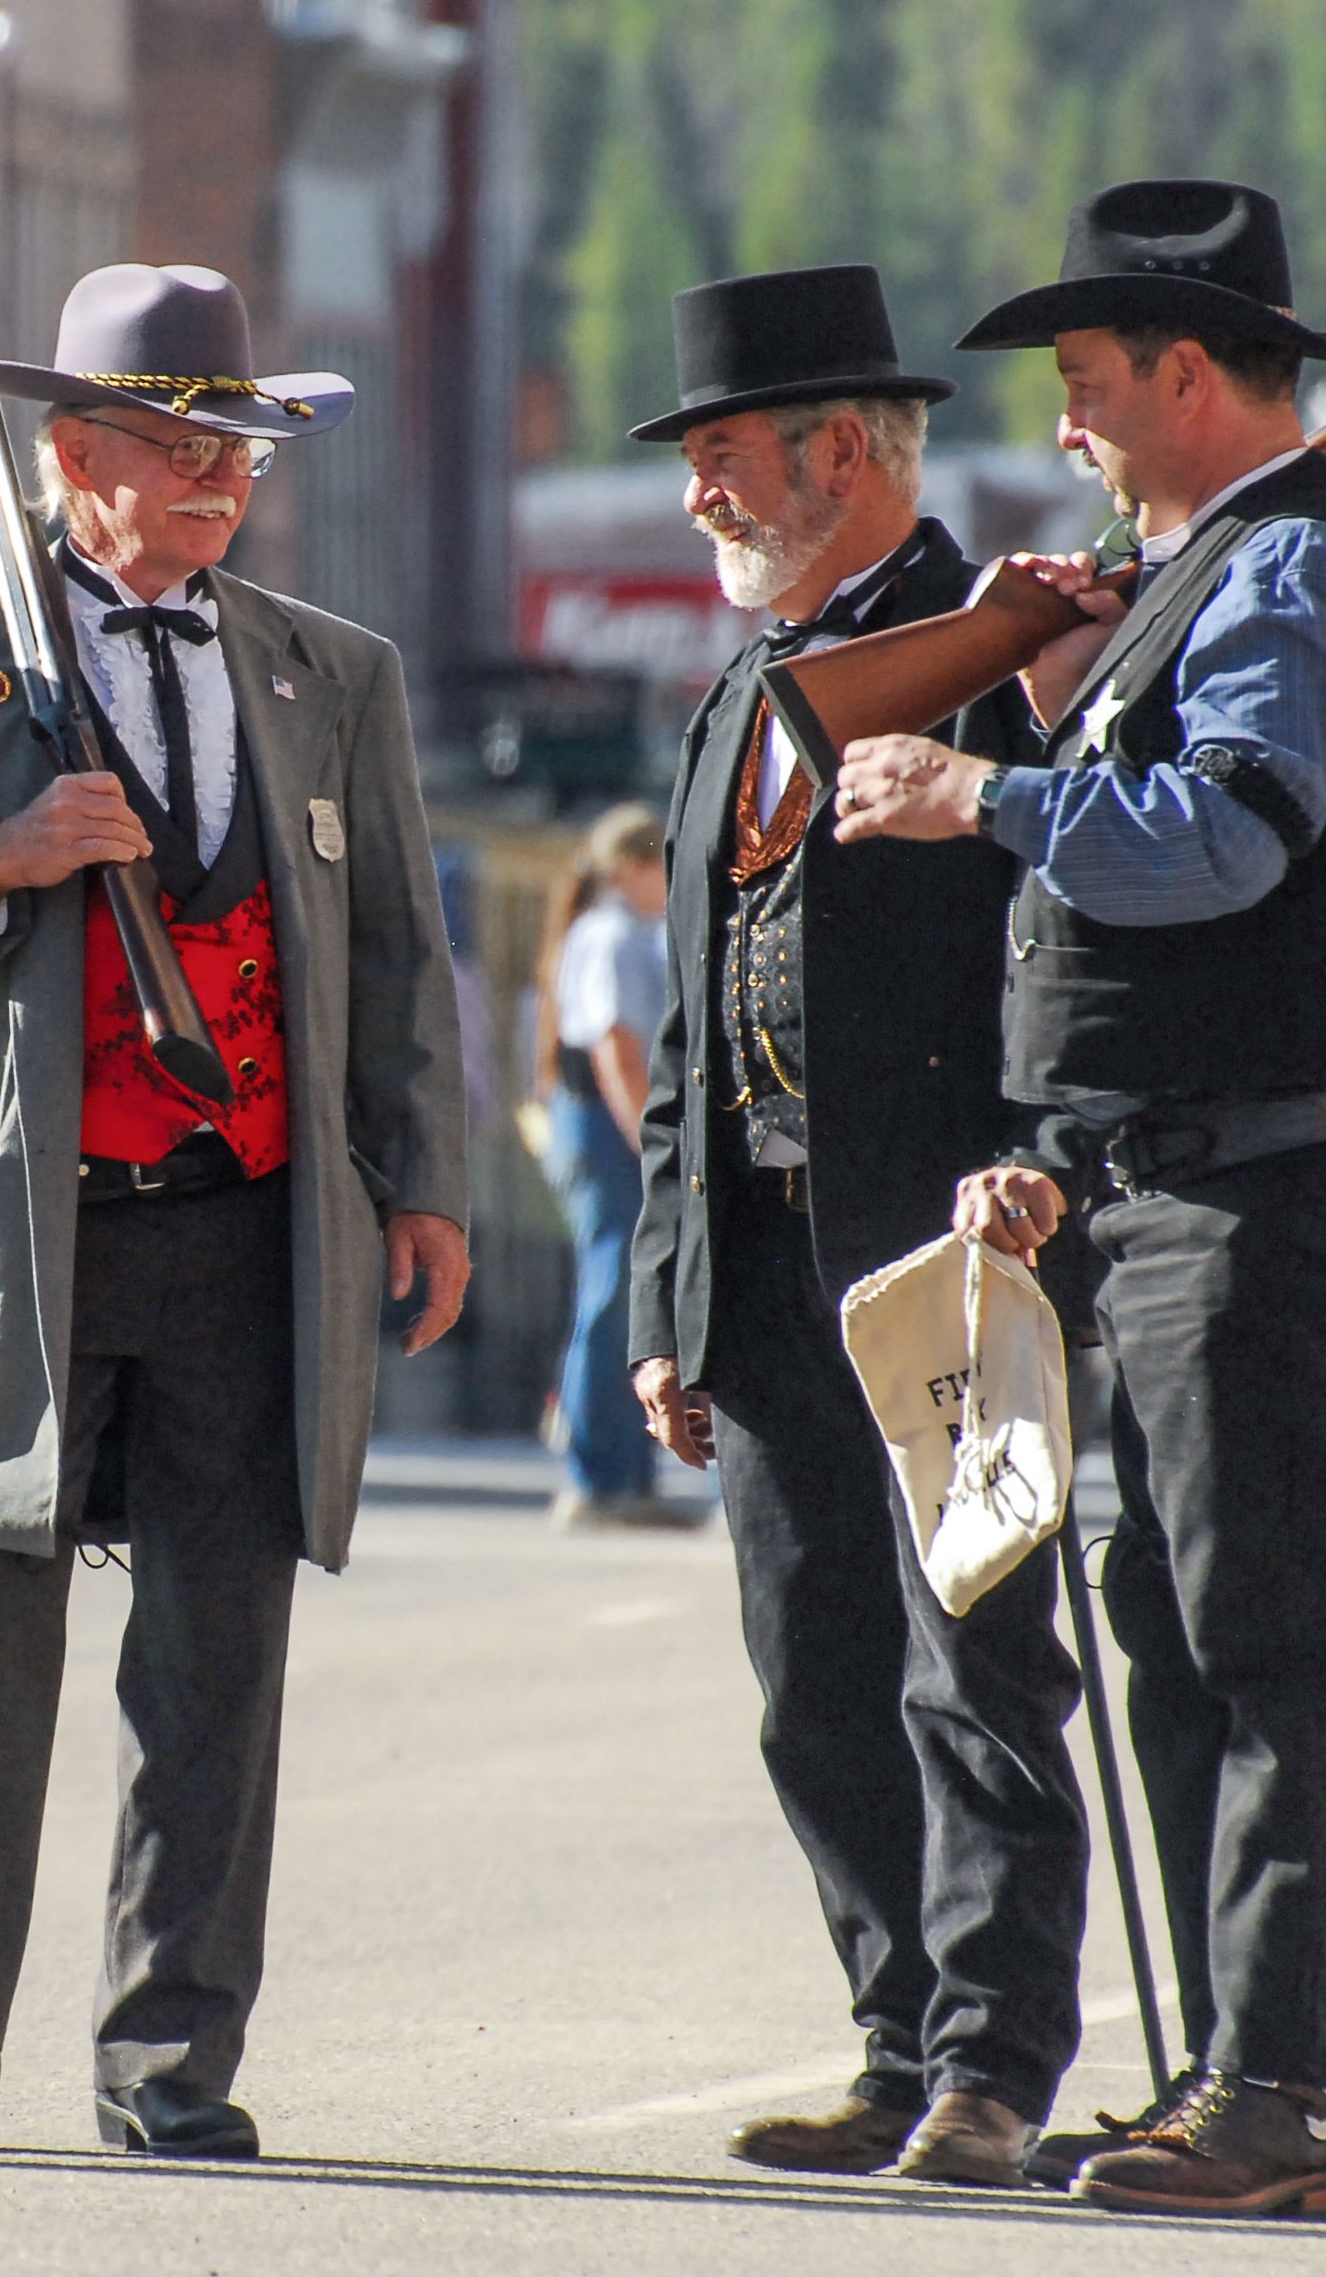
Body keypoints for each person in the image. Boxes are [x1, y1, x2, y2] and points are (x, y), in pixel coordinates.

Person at [838, 179, 1326, 2216]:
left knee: (1264, 1630)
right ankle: (1237, 2071)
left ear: (1192, 371)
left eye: (1095, 381)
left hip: (1283, 1183)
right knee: (1185, 1627)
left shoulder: (1289, 573)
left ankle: (1285, 2094)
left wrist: (987, 789)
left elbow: (1222, 845)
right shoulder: (1223, 566)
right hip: (1196, 1174)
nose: (1073, 427)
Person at [0, 263, 468, 2159]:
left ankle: (169, 2065)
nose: (212, 487)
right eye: (172, 452)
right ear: (69, 457)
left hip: (248, 1222)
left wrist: (419, 1184)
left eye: (230, 453)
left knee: (213, 1657)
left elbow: (405, 958)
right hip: (29, 1227)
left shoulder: (335, 675)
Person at [619, 265, 1085, 2188]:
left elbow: (1083, 939)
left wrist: (1038, 1147)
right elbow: (687, 1013)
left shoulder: (1011, 649)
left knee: (972, 1667)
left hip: (947, 1247)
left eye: (724, 457)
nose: (699, 497)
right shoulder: (750, 686)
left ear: (842, 449)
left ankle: (992, 2064)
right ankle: (896, 2043)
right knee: (815, 1681)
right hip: (768, 1259)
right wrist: (666, 1291)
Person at [536, 804, 694, 1528]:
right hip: (607, 1122)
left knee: (628, 1293)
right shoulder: (609, 935)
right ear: (635, 865)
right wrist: (650, 1141)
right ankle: (598, 1475)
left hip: (606, 1120)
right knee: (613, 1294)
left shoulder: (628, 934)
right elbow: (615, 1049)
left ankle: (628, 1476)